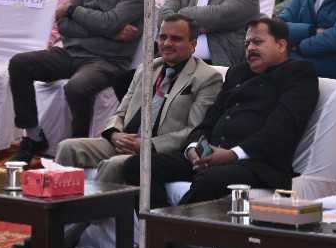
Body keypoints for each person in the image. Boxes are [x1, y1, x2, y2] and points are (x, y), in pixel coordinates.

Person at [121, 17, 319, 213]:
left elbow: (281, 130)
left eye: (258, 42)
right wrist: (193, 148)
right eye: (247, 43)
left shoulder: (299, 74)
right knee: (138, 165)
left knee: (209, 179)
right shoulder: (237, 72)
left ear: (281, 45)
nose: (250, 48)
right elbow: (209, 120)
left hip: (256, 163)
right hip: (211, 157)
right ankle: (157, 225)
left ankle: (174, 231)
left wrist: (232, 154)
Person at [10, 0, 145, 161]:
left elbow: (110, 21)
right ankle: (32, 136)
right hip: (71, 52)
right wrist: (108, 30)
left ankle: (76, 148)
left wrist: (73, 10)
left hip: (108, 60)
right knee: (20, 63)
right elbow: (64, 25)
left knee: (76, 87)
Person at [55, 12, 224, 188]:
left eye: (176, 39)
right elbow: (121, 111)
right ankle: (60, 202)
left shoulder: (206, 77)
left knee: (114, 164)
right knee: (68, 147)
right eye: (163, 37)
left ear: (193, 44)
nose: (167, 43)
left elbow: (194, 129)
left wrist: (148, 145)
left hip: (160, 151)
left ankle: (98, 206)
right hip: (125, 141)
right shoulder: (147, 69)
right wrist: (114, 134)